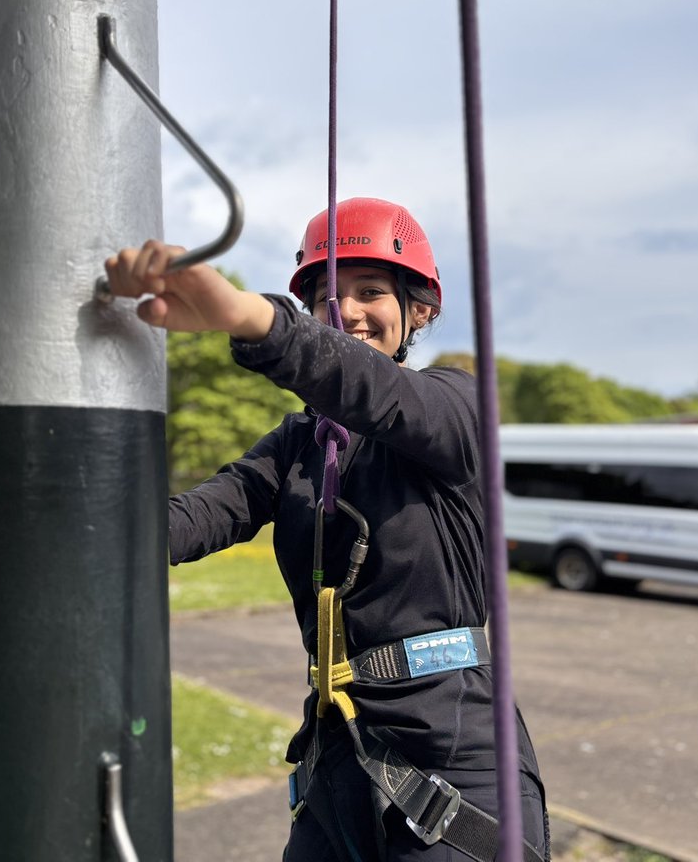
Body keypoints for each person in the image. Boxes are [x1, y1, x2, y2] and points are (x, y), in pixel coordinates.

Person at [105, 197, 548, 862]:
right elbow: (187, 523)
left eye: (370, 291)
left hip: (456, 754)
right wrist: (44, 542)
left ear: (418, 309)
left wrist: (250, 319)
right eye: (326, 298)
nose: (347, 312)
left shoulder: (455, 408)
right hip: (338, 748)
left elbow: (378, 393)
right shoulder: (295, 446)